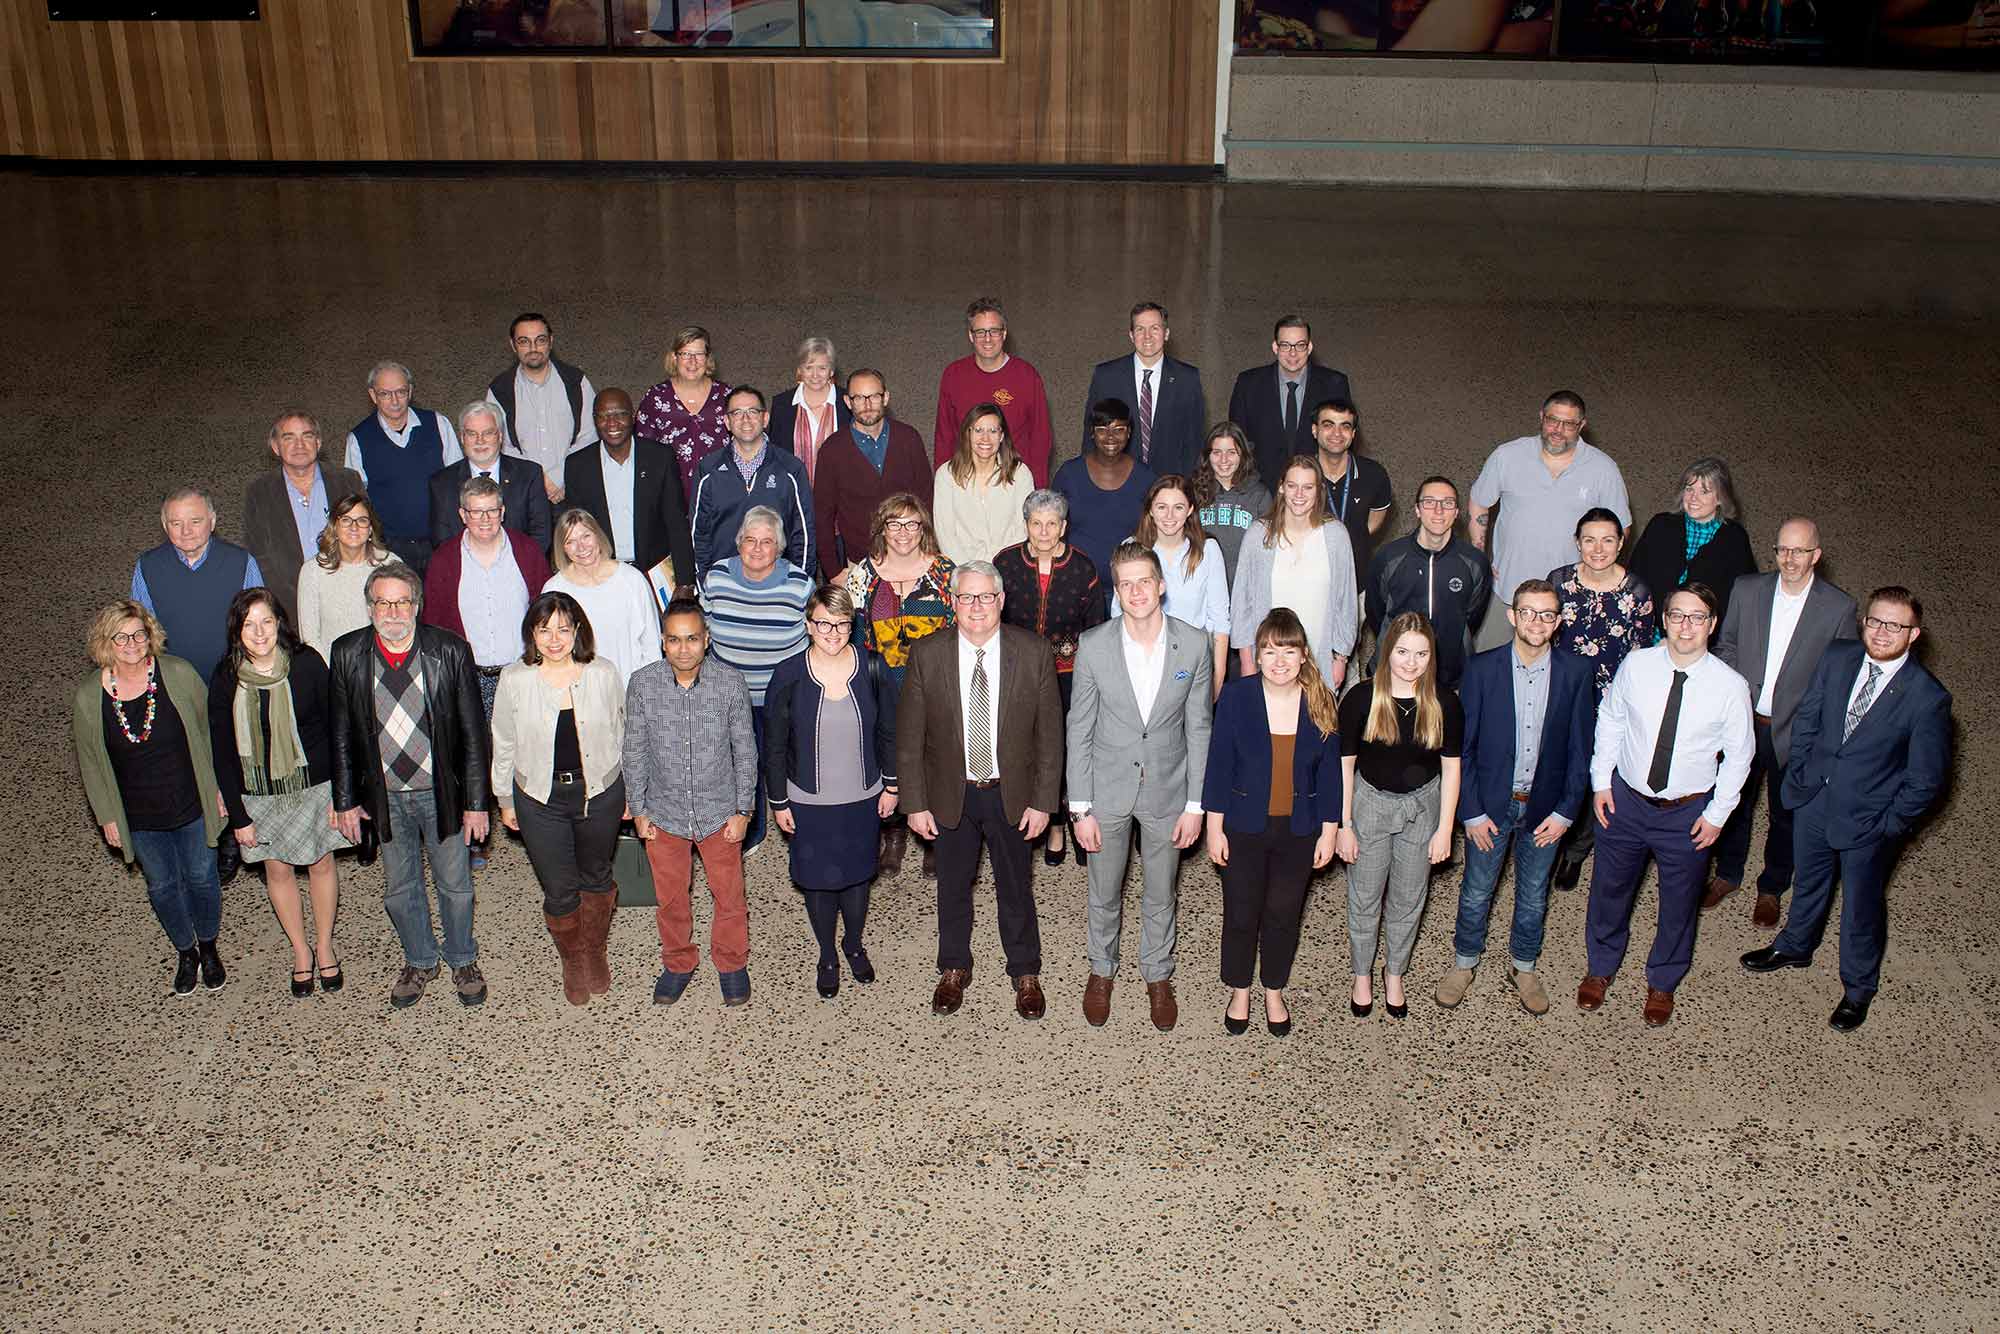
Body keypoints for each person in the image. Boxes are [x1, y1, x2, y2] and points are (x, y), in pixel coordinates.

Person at [1741, 588, 1952, 1033]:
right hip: (1814, 798)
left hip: (1868, 821)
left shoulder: (1926, 698)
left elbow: (1926, 779)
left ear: (1913, 634)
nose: (1881, 632)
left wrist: (1889, 826)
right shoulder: (1838, 656)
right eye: (1875, 621)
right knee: (1809, 881)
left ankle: (1858, 988)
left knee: (1861, 908)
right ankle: (1796, 945)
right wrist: (1799, 773)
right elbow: (1809, 716)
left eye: (1895, 625)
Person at [1578, 585, 1754, 1028]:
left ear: (1712, 625)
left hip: (1687, 814)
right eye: (1677, 616)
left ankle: (1663, 980)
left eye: (1697, 618)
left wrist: (1717, 815)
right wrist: (1601, 783)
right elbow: (1612, 718)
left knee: (1679, 902)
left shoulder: (1730, 687)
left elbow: (1740, 756)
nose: (1686, 626)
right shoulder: (1637, 666)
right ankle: (1600, 968)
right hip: (1626, 802)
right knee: (1609, 890)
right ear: (1664, 620)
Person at [897, 562, 1064, 1022]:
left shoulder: (1032, 653)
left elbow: (1050, 736)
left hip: (1013, 793)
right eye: (966, 597)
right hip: (951, 793)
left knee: (1016, 886)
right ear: (952, 602)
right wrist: (914, 802)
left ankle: (1025, 971)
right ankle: (953, 967)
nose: (976, 607)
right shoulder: (927, 654)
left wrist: (1044, 801)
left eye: (985, 597)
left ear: (1001, 600)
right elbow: (909, 736)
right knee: (952, 886)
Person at [329, 563, 491, 1010]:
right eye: (383, 602)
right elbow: (339, 732)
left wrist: (477, 803)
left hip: (442, 792)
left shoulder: (450, 651)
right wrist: (345, 800)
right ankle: (420, 959)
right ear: (369, 608)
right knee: (400, 889)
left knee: (455, 885)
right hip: (384, 796)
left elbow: (475, 735)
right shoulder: (346, 653)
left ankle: (461, 958)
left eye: (402, 601)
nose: (393, 611)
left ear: (416, 606)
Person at [1067, 542, 1213, 1032]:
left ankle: (1157, 973)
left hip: (1168, 791)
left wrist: (1196, 804)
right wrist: (1079, 807)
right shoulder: (1094, 645)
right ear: (1116, 590)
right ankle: (1101, 970)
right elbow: (1079, 727)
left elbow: (1199, 728)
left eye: (1144, 581)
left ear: (1161, 585)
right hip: (1106, 789)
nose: (1136, 592)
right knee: (1104, 891)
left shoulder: (1194, 644)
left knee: (1160, 891)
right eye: (1125, 583)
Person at [1436, 580, 1593, 1017]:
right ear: (1512, 615)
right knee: (1476, 890)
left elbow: (1582, 750)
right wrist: (1471, 812)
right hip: (1489, 805)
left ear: (1558, 621)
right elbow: (1462, 748)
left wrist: (1566, 812)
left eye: (1547, 614)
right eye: (1528, 612)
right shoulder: (1482, 669)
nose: (1536, 622)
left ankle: (1523, 966)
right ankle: (1464, 962)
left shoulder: (1576, 673)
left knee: (1534, 893)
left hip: (1545, 809)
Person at [72, 600, 229, 996]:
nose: (132, 643)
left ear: (150, 635)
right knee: (162, 886)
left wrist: (218, 789)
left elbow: (210, 735)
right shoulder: (90, 698)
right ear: (105, 642)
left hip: (190, 801)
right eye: (121, 637)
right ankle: (186, 951)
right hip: (139, 814)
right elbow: (90, 761)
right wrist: (107, 815)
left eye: (139, 634)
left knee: (202, 878)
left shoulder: (178, 674)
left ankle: (209, 945)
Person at [1709, 517, 1858, 927]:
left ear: (1816, 555)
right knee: (1733, 800)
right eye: (1783, 550)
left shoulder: (1839, 607)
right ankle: (1727, 874)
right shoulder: (1747, 589)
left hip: (1796, 730)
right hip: (1743, 719)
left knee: (1786, 812)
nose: (1790, 559)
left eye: (1800, 551)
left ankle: (1772, 886)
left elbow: (1840, 676)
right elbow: (1728, 645)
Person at [1202, 608, 1342, 1037]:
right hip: (1244, 826)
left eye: (1288, 650)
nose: (1279, 660)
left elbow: (1331, 774)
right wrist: (1214, 826)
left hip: (1299, 830)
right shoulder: (1237, 698)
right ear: (1256, 656)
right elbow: (1220, 765)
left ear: (1303, 656)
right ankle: (1240, 988)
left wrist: (1330, 830)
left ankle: (1273, 989)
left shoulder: (1320, 700)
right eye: (1269, 650)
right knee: (1241, 912)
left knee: (1283, 913)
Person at [209, 589, 351, 998]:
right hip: (259, 792)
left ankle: (325, 945)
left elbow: (335, 727)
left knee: (322, 865)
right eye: (248, 624)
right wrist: (238, 815)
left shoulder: (306, 665)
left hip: (314, 786)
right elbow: (220, 748)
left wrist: (342, 796)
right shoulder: (225, 676)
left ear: (279, 623)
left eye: (266, 621)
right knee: (277, 871)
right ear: (237, 631)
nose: (258, 632)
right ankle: (300, 951)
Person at [491, 591, 626, 1007]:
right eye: (544, 629)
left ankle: (595, 951)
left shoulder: (603, 673)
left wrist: (631, 794)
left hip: (599, 792)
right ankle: (572, 960)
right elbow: (504, 741)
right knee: (559, 888)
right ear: (532, 633)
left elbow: (625, 735)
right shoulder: (514, 678)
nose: (553, 639)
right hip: (539, 798)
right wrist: (504, 798)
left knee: (597, 876)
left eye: (562, 629)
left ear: (577, 631)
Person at [764, 584, 899, 999]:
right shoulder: (788, 674)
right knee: (819, 884)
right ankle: (827, 954)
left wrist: (892, 784)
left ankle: (853, 944)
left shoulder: (874, 668)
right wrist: (778, 801)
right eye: (823, 624)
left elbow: (889, 733)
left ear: (852, 624)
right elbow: (774, 744)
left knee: (858, 879)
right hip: (808, 802)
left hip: (862, 798)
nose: (833, 633)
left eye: (841, 624)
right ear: (808, 625)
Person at [624, 597, 759, 1008]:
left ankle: (732, 962)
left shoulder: (730, 683)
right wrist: (639, 809)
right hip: (663, 814)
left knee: (729, 895)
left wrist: (744, 810)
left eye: (692, 639)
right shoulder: (643, 684)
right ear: (663, 643)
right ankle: (678, 962)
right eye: (674, 640)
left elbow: (745, 751)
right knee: (671, 898)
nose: (683, 648)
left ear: (707, 640)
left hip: (720, 813)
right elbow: (634, 749)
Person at [1337, 612, 1464, 1020]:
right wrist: (1345, 826)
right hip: (1370, 804)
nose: (1410, 662)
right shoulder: (1360, 698)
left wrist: (1445, 828)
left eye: (1421, 654)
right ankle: (1362, 974)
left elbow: (1452, 768)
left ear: (1432, 656)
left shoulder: (1445, 702)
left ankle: (1395, 973)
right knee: (1365, 896)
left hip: (1423, 807)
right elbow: (1344, 765)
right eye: (1403, 651)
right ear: (1387, 649)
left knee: (1409, 899)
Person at [842, 493, 956, 877]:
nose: (903, 532)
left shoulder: (944, 572)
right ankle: (892, 835)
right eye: (894, 523)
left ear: (923, 527)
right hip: (882, 684)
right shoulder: (863, 574)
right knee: (885, 758)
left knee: (934, 760)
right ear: (882, 528)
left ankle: (934, 838)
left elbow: (959, 633)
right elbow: (854, 635)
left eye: (911, 523)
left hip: (935, 687)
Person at [995, 489, 1108, 865]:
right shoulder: (1006, 563)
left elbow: (1096, 629)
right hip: (1019, 672)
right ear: (1026, 524)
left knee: (1068, 748)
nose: (1044, 531)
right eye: (1036, 523)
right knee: (1030, 747)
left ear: (1064, 527)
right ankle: (1051, 823)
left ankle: (1074, 817)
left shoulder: (1083, 568)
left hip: (1069, 674)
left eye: (1052, 524)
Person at [1468, 390, 1630, 652]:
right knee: (1487, 663)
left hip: (1568, 599)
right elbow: (1479, 501)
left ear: (1582, 426)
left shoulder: (1603, 469)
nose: (1558, 430)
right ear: (1541, 417)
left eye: (1569, 424)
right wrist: (1479, 556)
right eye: (1553, 420)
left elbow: (1620, 528)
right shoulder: (1507, 456)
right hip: (1507, 590)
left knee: (1558, 676)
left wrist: (1598, 573)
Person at [1547, 506, 1655, 889]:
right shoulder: (1558, 582)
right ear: (1577, 542)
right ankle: (1547, 844)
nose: (1597, 549)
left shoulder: (1638, 592)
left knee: (1597, 776)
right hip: (1561, 697)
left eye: (1607, 540)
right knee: (1556, 771)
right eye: (1589, 540)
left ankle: (1575, 852)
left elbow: (1642, 656)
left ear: (1621, 543)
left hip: (1611, 706)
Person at [700, 506, 812, 854]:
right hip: (731, 696)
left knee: (784, 761)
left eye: (767, 541)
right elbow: (703, 630)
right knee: (739, 766)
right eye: (750, 540)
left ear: (779, 547)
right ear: (739, 542)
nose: (758, 548)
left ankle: (800, 825)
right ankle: (752, 829)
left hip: (782, 698)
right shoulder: (717, 576)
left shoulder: (799, 585)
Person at [422, 475, 554, 723]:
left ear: (502, 512)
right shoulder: (444, 559)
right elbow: (433, 626)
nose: (485, 520)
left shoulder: (527, 551)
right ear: (463, 515)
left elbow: (547, 612)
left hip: (522, 674)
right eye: (476, 512)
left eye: (491, 511)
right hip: (468, 681)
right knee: (477, 758)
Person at [1231, 458, 1358, 688]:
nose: (1299, 494)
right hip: (1269, 664)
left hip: (1319, 663)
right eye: (1292, 486)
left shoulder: (1336, 536)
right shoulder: (1258, 535)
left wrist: (1341, 657)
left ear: (1319, 491)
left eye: (1308, 487)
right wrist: (1247, 660)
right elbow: (1242, 602)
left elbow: (1346, 601)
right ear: (1281, 487)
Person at [564, 387, 697, 596]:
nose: (612, 423)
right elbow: (575, 530)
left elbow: (676, 523)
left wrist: (685, 582)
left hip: (654, 576)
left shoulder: (659, 458)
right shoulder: (578, 465)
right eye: (604, 416)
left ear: (633, 416)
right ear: (594, 420)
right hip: (601, 575)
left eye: (620, 414)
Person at [1364, 476, 1490, 689]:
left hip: (1449, 673)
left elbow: (1473, 614)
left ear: (1457, 512)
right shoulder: (1389, 557)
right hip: (1395, 671)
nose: (1438, 510)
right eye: (1429, 502)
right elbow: (1376, 612)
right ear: (1417, 510)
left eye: (1447, 503)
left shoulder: (1474, 562)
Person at [241, 409, 365, 622]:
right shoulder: (258, 493)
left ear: (318, 443)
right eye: (288, 438)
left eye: (307, 436)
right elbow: (258, 554)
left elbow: (367, 535)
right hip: (288, 607)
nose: (299, 445)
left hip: (348, 599)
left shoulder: (348, 482)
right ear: (275, 447)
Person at [132, 486, 266, 683]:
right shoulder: (148, 566)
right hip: (174, 683)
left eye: (195, 521)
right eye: (176, 523)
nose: (186, 531)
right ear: (164, 525)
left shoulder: (242, 563)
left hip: (234, 678)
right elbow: (139, 630)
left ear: (212, 522)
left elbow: (260, 625)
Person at [343, 360, 462, 573]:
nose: (395, 401)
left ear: (411, 391)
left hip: (441, 541)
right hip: (390, 549)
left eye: (400, 392)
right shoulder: (358, 439)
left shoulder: (438, 424)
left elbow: (459, 481)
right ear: (372, 395)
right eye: (385, 394)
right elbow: (357, 499)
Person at [812, 368, 932, 579]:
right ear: (848, 402)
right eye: (859, 398)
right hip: (860, 566)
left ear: (885, 397)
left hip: (911, 560)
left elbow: (926, 502)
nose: (867, 405)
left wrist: (930, 553)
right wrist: (833, 571)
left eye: (874, 396)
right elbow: (822, 517)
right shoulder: (832, 451)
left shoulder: (909, 438)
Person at [1119, 475, 1229, 698]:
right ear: (1150, 509)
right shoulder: (1131, 548)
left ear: (1190, 509)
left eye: (1178, 507)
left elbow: (1220, 621)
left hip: (1194, 662)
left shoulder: (1208, 550)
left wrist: (1218, 677)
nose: (1169, 516)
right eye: (1161, 507)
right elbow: (1118, 615)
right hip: (1143, 662)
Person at [1629, 457, 1758, 639]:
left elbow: (1742, 600)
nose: (1693, 498)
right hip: (1651, 634)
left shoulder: (1735, 538)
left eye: (1704, 491)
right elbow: (1635, 579)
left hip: (1704, 642)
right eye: (1689, 489)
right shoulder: (1660, 526)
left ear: (1720, 498)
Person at [690, 385, 814, 574]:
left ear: (765, 418)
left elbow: (803, 535)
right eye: (737, 412)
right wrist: (705, 584)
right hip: (724, 583)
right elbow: (699, 535)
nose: (745, 419)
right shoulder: (708, 470)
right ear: (727, 422)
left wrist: (799, 585)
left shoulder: (791, 469)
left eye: (753, 411)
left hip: (777, 584)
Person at [933, 297, 1053, 487]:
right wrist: (944, 485)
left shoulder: (1027, 376)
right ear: (971, 336)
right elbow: (944, 437)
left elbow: (1040, 437)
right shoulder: (953, 375)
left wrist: (1037, 491)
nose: (987, 339)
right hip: (966, 483)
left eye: (994, 331)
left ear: (1004, 333)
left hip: (1014, 482)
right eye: (980, 332)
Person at [1080, 302, 1206, 477]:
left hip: (1169, 486)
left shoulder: (1187, 378)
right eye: (1140, 329)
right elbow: (1091, 434)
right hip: (1115, 482)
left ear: (1166, 333)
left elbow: (1195, 441)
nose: (1147, 336)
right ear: (1131, 335)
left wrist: (1188, 488)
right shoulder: (1106, 376)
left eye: (1155, 328)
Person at [1226, 314, 1354, 486]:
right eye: (1285, 345)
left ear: (1309, 348)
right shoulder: (1248, 384)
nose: (1292, 353)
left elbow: (1342, 440)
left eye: (1300, 345)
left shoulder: (1334, 384)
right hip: (1262, 490)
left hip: (1315, 487)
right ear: (1275, 347)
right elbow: (1237, 440)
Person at [484, 311, 595, 503]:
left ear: (551, 341)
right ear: (513, 345)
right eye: (524, 341)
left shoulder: (576, 382)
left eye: (540, 340)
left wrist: (559, 478)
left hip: (573, 490)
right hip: (524, 493)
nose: (533, 348)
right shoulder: (499, 390)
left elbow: (589, 435)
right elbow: (501, 443)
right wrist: (537, 479)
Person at [544, 509, 661, 685]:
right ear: (563, 548)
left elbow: (651, 644)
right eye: (571, 542)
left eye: (586, 536)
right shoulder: (554, 589)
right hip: (579, 694)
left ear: (598, 535)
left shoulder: (631, 580)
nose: (581, 547)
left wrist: (647, 690)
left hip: (631, 690)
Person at [428, 400, 553, 553]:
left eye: (487, 433)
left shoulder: (529, 474)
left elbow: (541, 534)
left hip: (521, 570)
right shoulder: (441, 483)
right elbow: (442, 542)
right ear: (462, 438)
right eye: (472, 434)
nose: (480, 441)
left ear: (500, 436)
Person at [1051, 398, 1155, 580]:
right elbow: (1051, 527)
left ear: (1129, 432)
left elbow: (1154, 533)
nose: (1110, 437)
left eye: (1119, 429)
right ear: (1092, 433)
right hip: (1075, 583)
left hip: (1129, 585)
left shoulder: (1146, 478)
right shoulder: (1069, 474)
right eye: (1102, 430)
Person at [298, 495, 399, 664]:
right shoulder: (312, 571)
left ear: (371, 529)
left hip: (384, 670)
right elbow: (310, 639)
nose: (354, 527)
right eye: (346, 520)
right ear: (334, 527)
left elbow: (402, 624)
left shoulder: (392, 566)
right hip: (332, 672)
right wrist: (336, 675)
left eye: (362, 520)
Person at [933, 401, 1035, 567]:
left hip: (1008, 567)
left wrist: (999, 566)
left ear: (1001, 436)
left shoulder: (1020, 474)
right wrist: (971, 572)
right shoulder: (946, 475)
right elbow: (945, 534)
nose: (985, 438)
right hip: (962, 571)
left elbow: (1023, 528)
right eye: (978, 430)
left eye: (993, 431)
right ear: (968, 434)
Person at [636, 326, 732, 496]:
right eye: (685, 354)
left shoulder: (726, 395)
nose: (692, 361)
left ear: (708, 358)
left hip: (720, 492)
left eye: (699, 354)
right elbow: (643, 451)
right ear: (674, 357)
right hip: (669, 494)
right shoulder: (656, 397)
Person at [1308, 398, 1394, 583]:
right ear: (1315, 430)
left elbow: (1372, 523)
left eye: (1345, 426)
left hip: (1358, 582)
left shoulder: (1374, 475)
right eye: (1328, 425)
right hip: (1308, 581)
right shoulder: (1299, 474)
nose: (1337, 433)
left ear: (1353, 433)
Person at [1190, 422, 1271, 587]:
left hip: (1245, 587)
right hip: (1202, 587)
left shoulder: (1259, 494)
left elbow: (1268, 550)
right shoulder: (1192, 492)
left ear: (1242, 454)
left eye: (1231, 452)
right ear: (1207, 456)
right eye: (1217, 452)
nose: (1224, 460)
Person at [766, 335, 851, 484]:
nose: (815, 375)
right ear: (800, 370)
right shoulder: (782, 404)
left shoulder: (848, 402)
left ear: (831, 371)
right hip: (795, 493)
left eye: (822, 368)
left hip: (840, 490)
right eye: (809, 368)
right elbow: (775, 454)